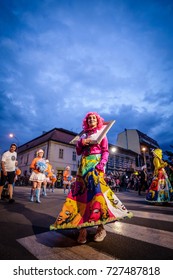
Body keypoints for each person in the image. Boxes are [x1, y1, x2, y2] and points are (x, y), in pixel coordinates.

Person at [50, 112, 133, 244]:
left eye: (93, 118)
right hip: (83, 166)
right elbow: (78, 151)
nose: (91, 120)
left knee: (97, 196)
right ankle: (82, 229)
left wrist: (101, 164)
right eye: (89, 118)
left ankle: (101, 228)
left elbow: (105, 151)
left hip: (95, 166)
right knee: (81, 196)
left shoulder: (102, 133)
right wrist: (83, 142)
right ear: (86, 121)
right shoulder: (83, 135)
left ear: (98, 120)